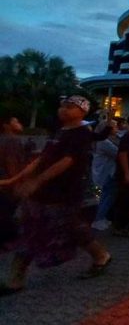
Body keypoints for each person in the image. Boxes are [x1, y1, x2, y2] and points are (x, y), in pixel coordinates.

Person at [0, 96, 112, 296]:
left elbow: (67, 161)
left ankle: (101, 255)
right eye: (62, 106)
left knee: (69, 226)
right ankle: (16, 278)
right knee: (31, 228)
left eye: (70, 107)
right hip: (43, 192)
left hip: (63, 192)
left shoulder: (81, 134)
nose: (63, 109)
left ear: (82, 112)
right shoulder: (59, 131)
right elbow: (42, 159)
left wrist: (38, 181)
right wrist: (16, 179)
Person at [0, 115, 26, 251]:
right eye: (15, 121)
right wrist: (16, 183)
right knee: (6, 213)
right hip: (8, 184)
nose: (19, 124)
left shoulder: (3, 139)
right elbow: (12, 163)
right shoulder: (12, 140)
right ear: (6, 125)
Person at [91, 120, 120, 231]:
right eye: (115, 127)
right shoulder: (104, 142)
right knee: (106, 196)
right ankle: (98, 219)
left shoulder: (107, 140)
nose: (117, 129)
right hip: (106, 171)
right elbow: (117, 153)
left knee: (107, 196)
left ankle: (102, 218)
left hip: (107, 170)